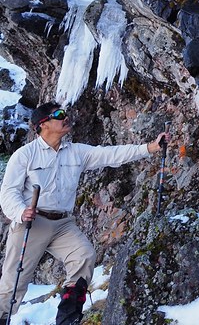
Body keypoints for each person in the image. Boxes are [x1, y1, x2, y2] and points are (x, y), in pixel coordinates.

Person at [0, 103, 168, 325]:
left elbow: (110, 155)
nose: (66, 117)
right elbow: (8, 192)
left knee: (84, 256)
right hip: (32, 222)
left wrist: (149, 147)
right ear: (43, 125)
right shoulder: (24, 155)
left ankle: (68, 319)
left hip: (63, 224)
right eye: (58, 115)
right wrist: (21, 211)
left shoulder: (76, 152)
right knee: (14, 283)